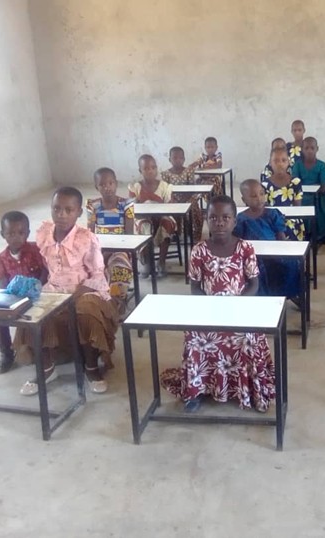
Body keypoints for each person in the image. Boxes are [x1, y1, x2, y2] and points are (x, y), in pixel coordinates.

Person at [160, 195, 275, 413]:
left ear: (234, 221)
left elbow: (254, 284)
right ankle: (196, 390)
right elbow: (195, 287)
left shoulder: (245, 248)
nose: (219, 222)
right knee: (195, 337)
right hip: (210, 309)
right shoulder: (199, 250)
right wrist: (210, 306)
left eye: (225, 218)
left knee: (246, 337)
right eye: (213, 218)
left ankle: (251, 389)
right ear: (207, 220)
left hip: (239, 308)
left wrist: (237, 305)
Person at [16, 187, 118, 396]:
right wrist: (37, 290)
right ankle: (47, 367)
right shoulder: (45, 233)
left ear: (78, 212)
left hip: (85, 289)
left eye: (68, 210)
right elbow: (48, 267)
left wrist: (75, 295)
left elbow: (98, 274)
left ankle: (91, 366)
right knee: (32, 312)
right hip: (54, 288)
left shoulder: (86, 238)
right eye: (56, 208)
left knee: (86, 313)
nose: (61, 214)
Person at [0, 211, 47, 374]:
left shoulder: (36, 251)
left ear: (28, 233)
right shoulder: (2, 258)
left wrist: (39, 287)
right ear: (3, 234)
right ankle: (6, 353)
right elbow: (3, 284)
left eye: (21, 233)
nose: (16, 237)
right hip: (15, 298)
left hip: (38, 295)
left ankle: (42, 350)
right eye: (10, 233)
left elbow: (45, 271)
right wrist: (7, 300)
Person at [234, 179, 301, 299]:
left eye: (261, 193)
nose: (259, 198)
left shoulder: (272, 214)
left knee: (292, 263)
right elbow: (238, 241)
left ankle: (287, 296)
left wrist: (285, 248)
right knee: (255, 270)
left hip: (274, 253)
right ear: (244, 200)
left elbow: (281, 237)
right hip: (253, 257)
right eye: (253, 196)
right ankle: (264, 298)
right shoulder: (241, 219)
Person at [86, 167, 134, 314]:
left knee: (120, 267)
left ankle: (117, 303)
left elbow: (129, 235)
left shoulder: (126, 204)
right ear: (97, 187)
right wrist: (99, 252)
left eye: (110, 183)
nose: (107, 187)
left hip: (121, 249)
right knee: (86, 270)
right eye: (102, 184)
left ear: (116, 183)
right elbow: (90, 234)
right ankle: (100, 302)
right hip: (99, 249)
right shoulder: (93, 206)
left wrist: (112, 250)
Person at [128, 154, 176, 277]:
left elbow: (170, 206)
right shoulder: (135, 188)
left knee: (167, 223)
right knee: (144, 225)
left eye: (153, 168)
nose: (150, 171)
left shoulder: (165, 187)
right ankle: (147, 260)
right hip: (143, 218)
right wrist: (137, 202)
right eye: (146, 168)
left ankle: (161, 261)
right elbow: (131, 209)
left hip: (161, 217)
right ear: (140, 171)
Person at [292, 136, 325, 244]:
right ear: (302, 149)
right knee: (302, 204)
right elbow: (294, 184)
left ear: (317, 149)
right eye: (306, 148)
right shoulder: (297, 165)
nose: (309, 151)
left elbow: (324, 187)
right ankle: (304, 234)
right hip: (301, 196)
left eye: (312, 148)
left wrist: (315, 190)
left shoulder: (322, 165)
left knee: (323, 209)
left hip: (318, 195)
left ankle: (319, 235)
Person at [161, 146, 205, 242]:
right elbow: (166, 190)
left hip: (187, 197)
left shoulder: (188, 171)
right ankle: (175, 232)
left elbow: (191, 188)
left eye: (180, 158)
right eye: (175, 158)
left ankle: (192, 232)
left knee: (192, 206)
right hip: (173, 198)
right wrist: (173, 200)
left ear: (184, 159)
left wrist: (183, 200)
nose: (178, 160)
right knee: (171, 207)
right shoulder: (165, 174)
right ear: (170, 160)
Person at [261, 148, 304, 240]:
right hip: (272, 220)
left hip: (291, 219)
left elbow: (297, 208)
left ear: (288, 162)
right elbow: (265, 208)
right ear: (270, 163)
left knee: (289, 228)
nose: (280, 164)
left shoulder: (295, 182)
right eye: (276, 161)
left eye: (283, 160)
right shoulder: (265, 184)